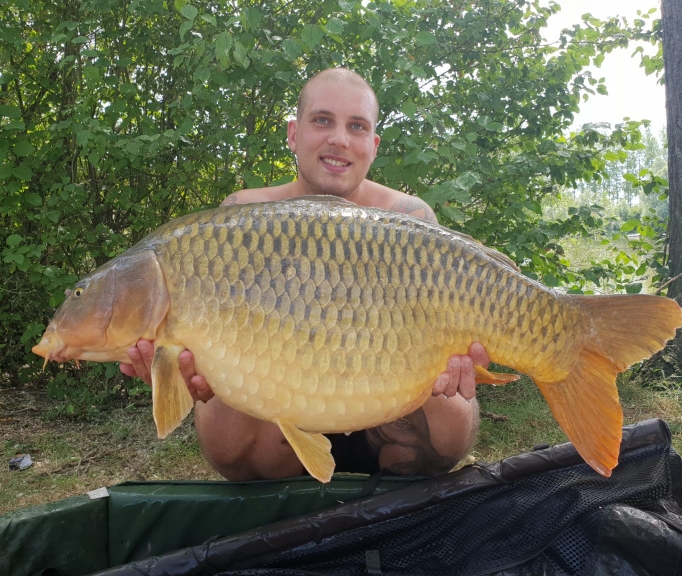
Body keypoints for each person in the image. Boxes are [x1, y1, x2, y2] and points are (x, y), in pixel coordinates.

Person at [122, 68, 491, 480]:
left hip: (386, 400)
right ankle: (288, 495)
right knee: (230, 444)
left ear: (373, 145)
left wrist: (455, 359)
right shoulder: (241, 217)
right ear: (294, 134)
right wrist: (179, 363)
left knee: (450, 429)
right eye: (322, 120)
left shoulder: (407, 216)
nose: (339, 138)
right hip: (281, 404)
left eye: (356, 126)